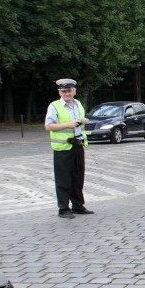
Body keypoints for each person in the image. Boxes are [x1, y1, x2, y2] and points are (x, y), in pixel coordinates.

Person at [44, 79, 93, 218]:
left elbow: (80, 122)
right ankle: (64, 209)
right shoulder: (54, 106)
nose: (67, 94)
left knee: (78, 177)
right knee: (63, 179)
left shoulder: (78, 104)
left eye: (69, 91)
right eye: (64, 91)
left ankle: (78, 205)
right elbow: (48, 126)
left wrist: (83, 121)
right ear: (59, 92)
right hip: (63, 147)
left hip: (78, 145)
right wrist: (67, 125)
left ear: (74, 91)